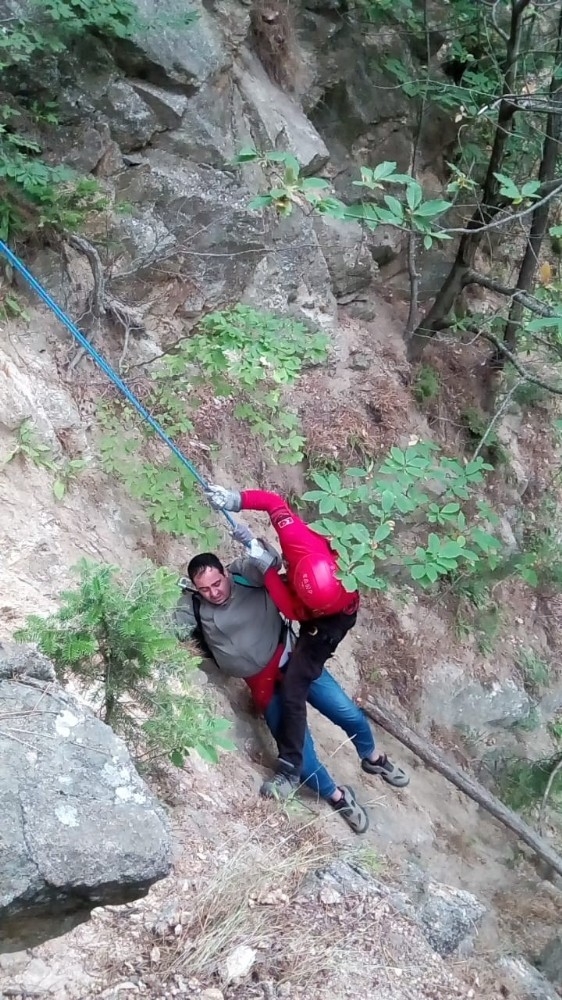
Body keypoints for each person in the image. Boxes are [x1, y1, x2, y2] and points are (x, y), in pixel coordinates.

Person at [174, 546, 409, 834]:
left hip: (295, 663)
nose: (214, 592)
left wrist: (257, 546)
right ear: (196, 589)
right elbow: (171, 629)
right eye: (205, 589)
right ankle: (339, 797)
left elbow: (269, 562)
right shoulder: (194, 606)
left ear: (224, 572)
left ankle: (373, 758)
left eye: (217, 582)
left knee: (348, 713)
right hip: (264, 687)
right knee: (301, 759)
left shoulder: (243, 575)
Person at [204, 484, 398, 799]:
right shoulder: (299, 542)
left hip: (325, 626)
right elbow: (272, 502)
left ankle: (366, 758)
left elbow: (293, 610)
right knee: (307, 701)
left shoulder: (330, 606)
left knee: (299, 691)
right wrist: (235, 500)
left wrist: (266, 568)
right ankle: (302, 771)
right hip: (305, 598)